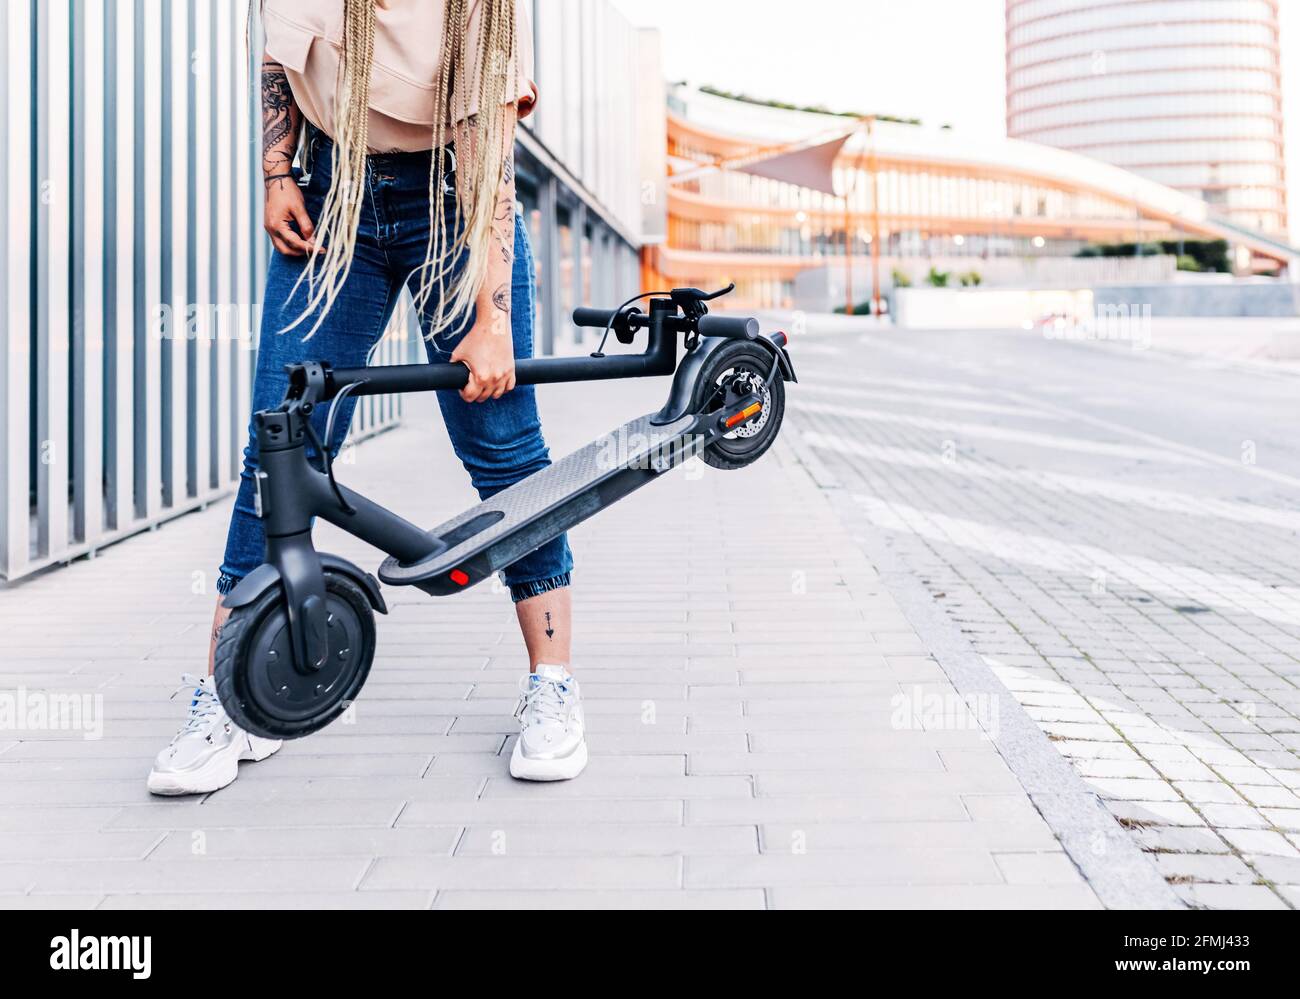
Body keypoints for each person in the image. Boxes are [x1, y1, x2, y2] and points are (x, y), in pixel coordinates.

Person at [148, 0, 587, 795]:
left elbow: (490, 152)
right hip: (330, 193)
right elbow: (279, 56)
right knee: (279, 442)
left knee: (503, 447)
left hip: (453, 201)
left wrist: (491, 315)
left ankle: (552, 684)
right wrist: (277, 173)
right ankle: (226, 697)